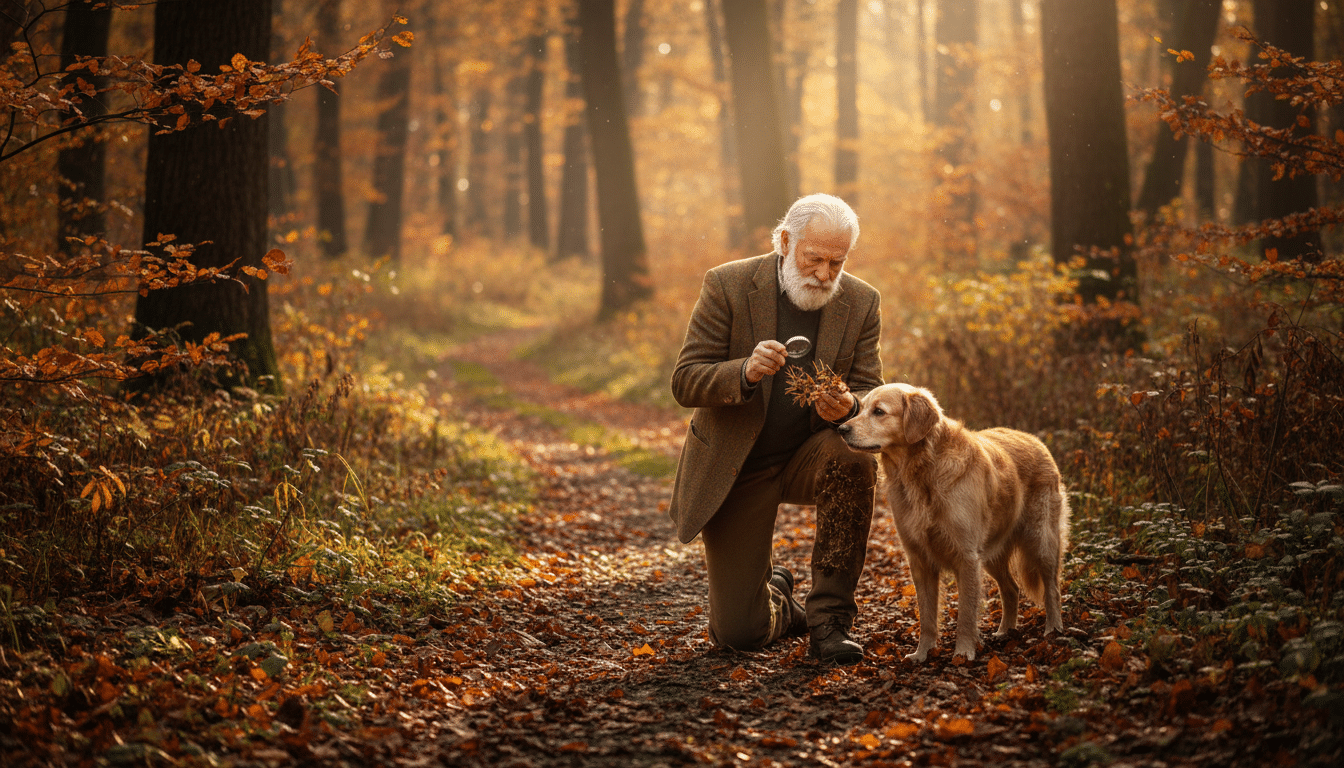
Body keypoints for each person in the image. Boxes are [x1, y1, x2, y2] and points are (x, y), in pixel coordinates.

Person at [669, 193, 882, 664]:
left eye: (837, 262)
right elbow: (685, 380)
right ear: (785, 241)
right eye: (814, 258)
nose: (825, 274)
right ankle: (782, 600)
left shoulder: (862, 302)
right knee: (739, 634)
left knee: (854, 457)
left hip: (812, 453)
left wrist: (850, 406)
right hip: (737, 464)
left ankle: (830, 621)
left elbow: (870, 391)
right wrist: (743, 371)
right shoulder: (727, 284)